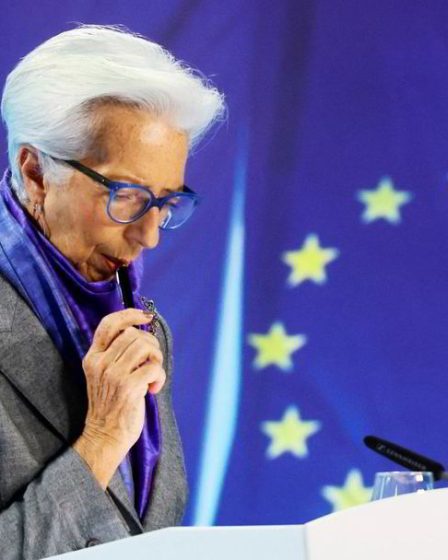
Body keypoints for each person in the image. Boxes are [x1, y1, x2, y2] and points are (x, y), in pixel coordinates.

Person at [0, 24, 224, 559]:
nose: (149, 236)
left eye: (166, 202)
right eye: (127, 196)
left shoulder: (140, 328)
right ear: (35, 173)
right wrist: (100, 441)